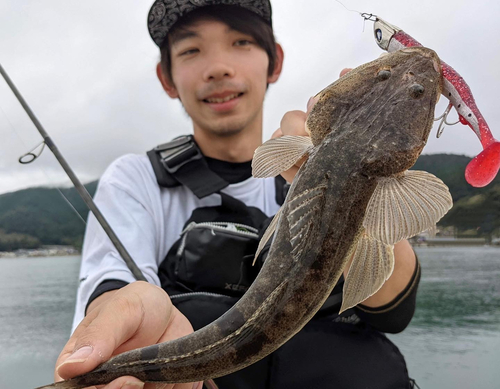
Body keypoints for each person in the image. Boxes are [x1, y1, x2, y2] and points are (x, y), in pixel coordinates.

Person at [54, 1, 421, 388]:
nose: (219, 67)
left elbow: (393, 312)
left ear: (274, 62)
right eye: (191, 50)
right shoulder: (136, 180)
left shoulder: (310, 161)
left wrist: (361, 181)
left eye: (241, 42)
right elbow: (112, 284)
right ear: (167, 77)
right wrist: (116, 319)